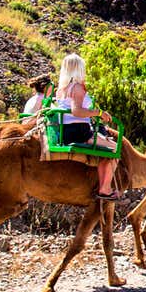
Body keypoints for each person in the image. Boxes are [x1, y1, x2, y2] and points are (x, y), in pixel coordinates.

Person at [54, 53, 119, 200]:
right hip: (80, 132)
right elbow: (76, 111)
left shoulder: (62, 88)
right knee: (115, 148)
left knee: (108, 147)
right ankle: (105, 189)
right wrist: (98, 113)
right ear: (78, 69)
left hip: (67, 130)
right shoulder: (77, 87)